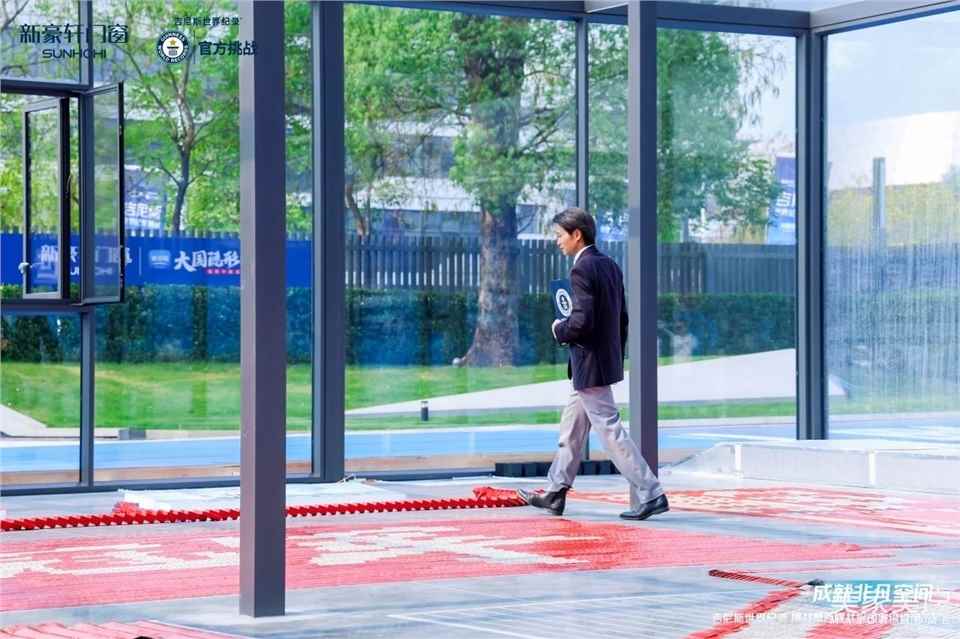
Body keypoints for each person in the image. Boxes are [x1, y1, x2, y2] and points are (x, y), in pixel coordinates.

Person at [517, 207, 669, 521]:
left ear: (577, 234)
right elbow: (622, 319)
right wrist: (612, 354)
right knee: (571, 429)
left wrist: (559, 329)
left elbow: (582, 321)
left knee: (610, 430)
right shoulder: (609, 265)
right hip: (598, 362)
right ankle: (555, 492)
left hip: (589, 364)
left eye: (560, 235)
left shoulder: (582, 269)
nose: (557, 241)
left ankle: (652, 492)